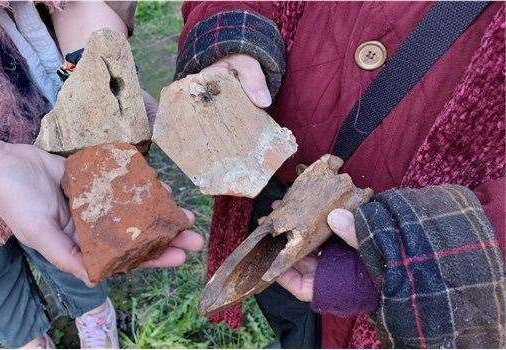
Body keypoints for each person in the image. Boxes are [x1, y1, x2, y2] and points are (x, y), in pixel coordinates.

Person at [176, 1, 505, 348]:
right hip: (273, 190)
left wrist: (411, 262)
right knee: (292, 321)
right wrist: (233, 36)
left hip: (400, 261)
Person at [0, 2, 203, 348]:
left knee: (72, 239)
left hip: (46, 115)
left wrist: (98, 73)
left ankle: (94, 313)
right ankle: (28, 338)